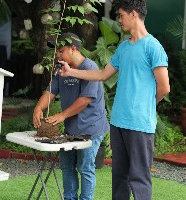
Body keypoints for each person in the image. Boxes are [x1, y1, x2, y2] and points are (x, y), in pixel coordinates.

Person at [58, 1, 170, 200]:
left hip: (140, 125)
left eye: (121, 15)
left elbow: (164, 87)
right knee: (119, 177)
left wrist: (147, 106)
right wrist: (71, 71)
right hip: (118, 122)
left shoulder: (153, 47)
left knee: (139, 178)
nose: (119, 20)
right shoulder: (124, 47)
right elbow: (101, 74)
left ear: (133, 14)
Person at [33, 32, 109, 200]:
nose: (58, 55)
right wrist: (38, 108)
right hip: (70, 129)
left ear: (73, 48)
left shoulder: (90, 68)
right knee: (67, 167)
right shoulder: (61, 69)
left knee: (85, 168)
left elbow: (85, 100)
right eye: (57, 52)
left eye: (61, 51)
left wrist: (62, 115)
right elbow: (50, 91)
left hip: (91, 128)